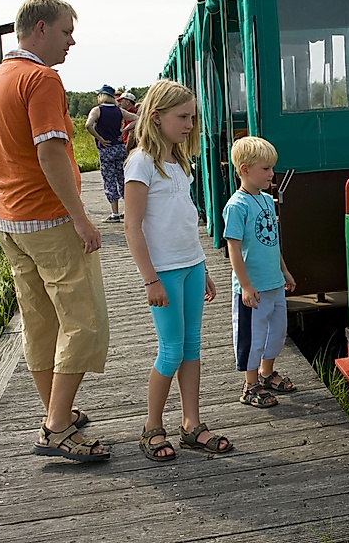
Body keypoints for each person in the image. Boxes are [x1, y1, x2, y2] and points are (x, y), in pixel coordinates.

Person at [0, 0, 109, 462]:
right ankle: (56, 428)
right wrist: (80, 214)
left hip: (12, 220)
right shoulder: (41, 79)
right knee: (85, 321)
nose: (71, 41)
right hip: (50, 219)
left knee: (41, 323)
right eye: (65, 31)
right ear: (39, 29)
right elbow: (51, 151)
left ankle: (59, 414)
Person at [124, 79, 233, 460]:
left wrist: (202, 265)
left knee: (191, 348)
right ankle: (152, 426)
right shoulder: (141, 163)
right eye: (182, 117)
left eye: (192, 117)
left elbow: (185, 220)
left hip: (190, 265)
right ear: (156, 117)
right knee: (170, 351)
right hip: (165, 272)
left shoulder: (179, 161)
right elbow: (132, 226)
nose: (190, 124)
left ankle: (191, 424)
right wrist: (150, 278)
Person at [222, 136, 297, 408]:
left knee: (276, 332)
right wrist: (245, 285)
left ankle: (266, 373)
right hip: (253, 288)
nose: (272, 174)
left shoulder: (266, 199)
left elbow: (272, 240)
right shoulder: (237, 206)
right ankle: (250, 384)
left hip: (273, 282)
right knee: (252, 336)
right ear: (245, 169)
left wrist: (284, 271)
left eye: (271, 168)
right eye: (265, 169)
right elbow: (233, 247)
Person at [85, 85, 136, 223]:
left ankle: (114, 213)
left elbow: (88, 125)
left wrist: (99, 138)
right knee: (122, 178)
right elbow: (137, 118)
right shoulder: (118, 111)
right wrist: (124, 130)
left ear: (101, 96)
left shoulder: (97, 110)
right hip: (120, 148)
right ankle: (128, 210)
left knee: (109, 180)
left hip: (106, 148)